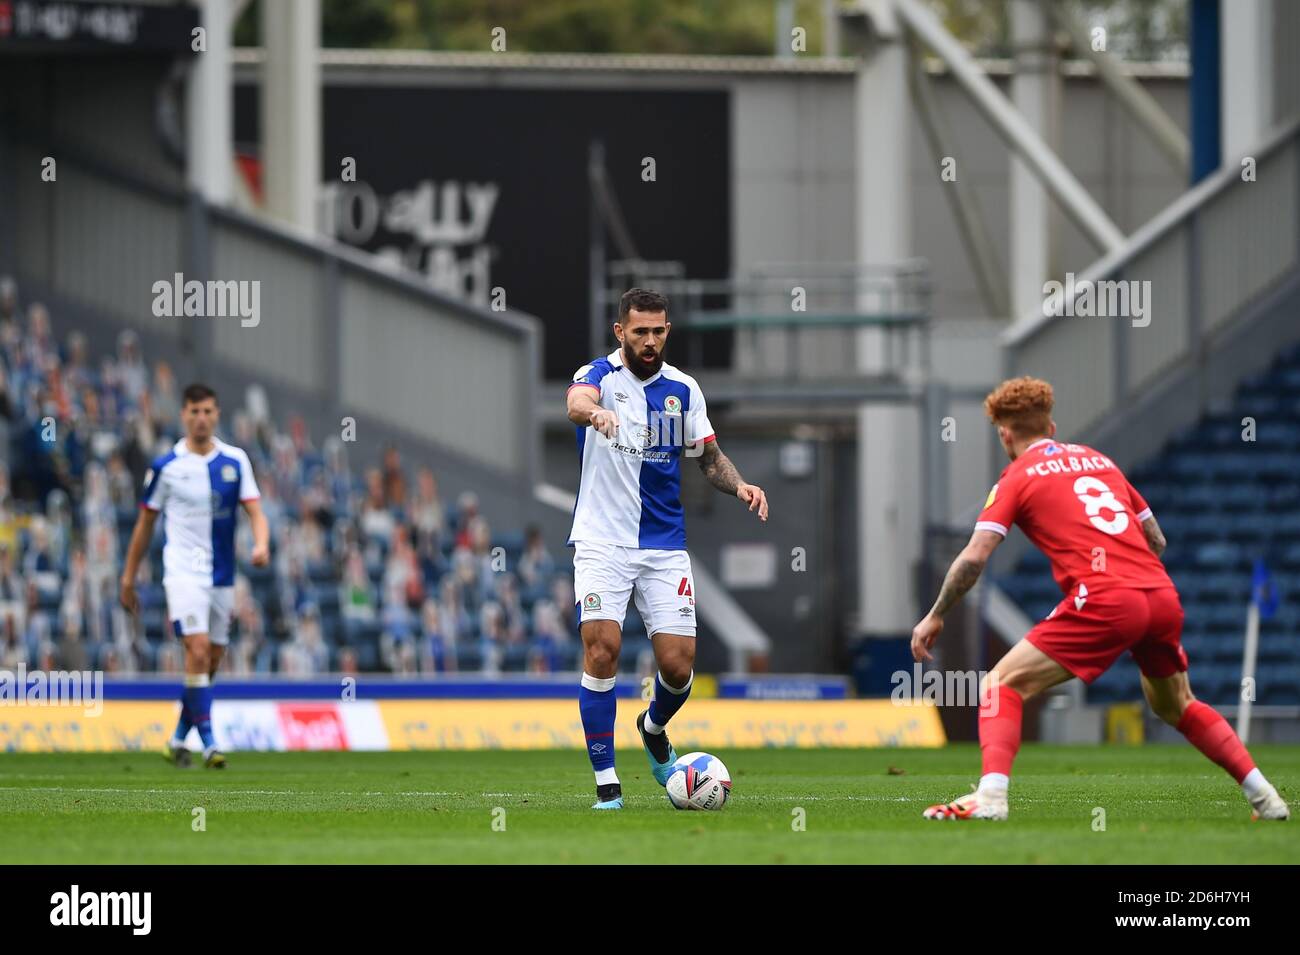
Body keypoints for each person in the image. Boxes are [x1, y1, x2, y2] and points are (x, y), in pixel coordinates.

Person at [912, 376, 1289, 821]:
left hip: (1108, 597)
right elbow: (1156, 537)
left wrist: (935, 615)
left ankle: (991, 798)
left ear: (1005, 435)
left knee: (1000, 685)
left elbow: (974, 558)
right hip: (1160, 593)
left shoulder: (1015, 477)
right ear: (1051, 427)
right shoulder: (1099, 461)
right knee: (1176, 704)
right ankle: (1267, 798)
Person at [565, 288, 769, 810]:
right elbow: (575, 401)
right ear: (620, 333)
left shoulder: (683, 389)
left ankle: (653, 728)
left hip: (663, 544)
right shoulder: (600, 377)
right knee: (602, 650)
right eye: (640, 332)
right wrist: (595, 417)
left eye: (658, 331)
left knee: (678, 667)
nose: (650, 341)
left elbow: (708, 457)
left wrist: (741, 485)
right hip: (601, 540)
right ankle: (608, 784)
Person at [120, 383, 270, 769]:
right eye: (194, 411)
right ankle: (209, 743)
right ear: (183, 415)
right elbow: (145, 524)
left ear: (217, 414)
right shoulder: (166, 467)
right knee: (198, 650)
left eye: (207, 411)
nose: (201, 418)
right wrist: (128, 576)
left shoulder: (236, 462)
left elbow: (255, 511)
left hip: (222, 575)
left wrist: (261, 544)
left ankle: (176, 738)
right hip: (183, 572)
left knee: (212, 659)